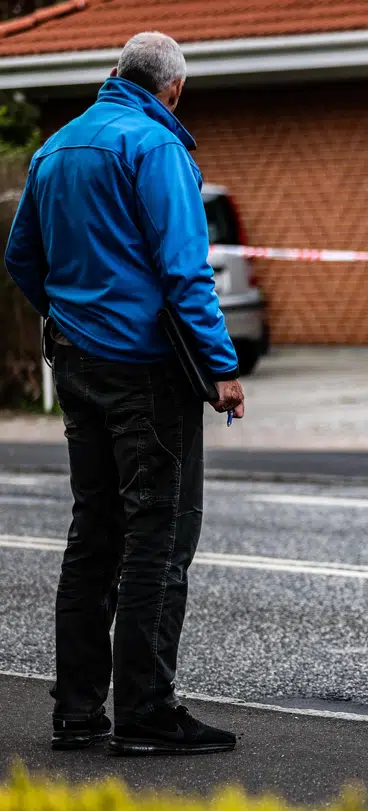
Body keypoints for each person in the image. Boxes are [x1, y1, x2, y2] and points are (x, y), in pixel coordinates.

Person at [4, 31, 244, 755]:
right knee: (158, 536)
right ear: (173, 89)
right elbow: (184, 273)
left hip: (76, 364)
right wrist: (223, 366)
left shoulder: (57, 146)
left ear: (114, 74)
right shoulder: (157, 146)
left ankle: (77, 710)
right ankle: (146, 709)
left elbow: (21, 257)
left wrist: (71, 315)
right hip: (145, 369)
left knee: (93, 532)